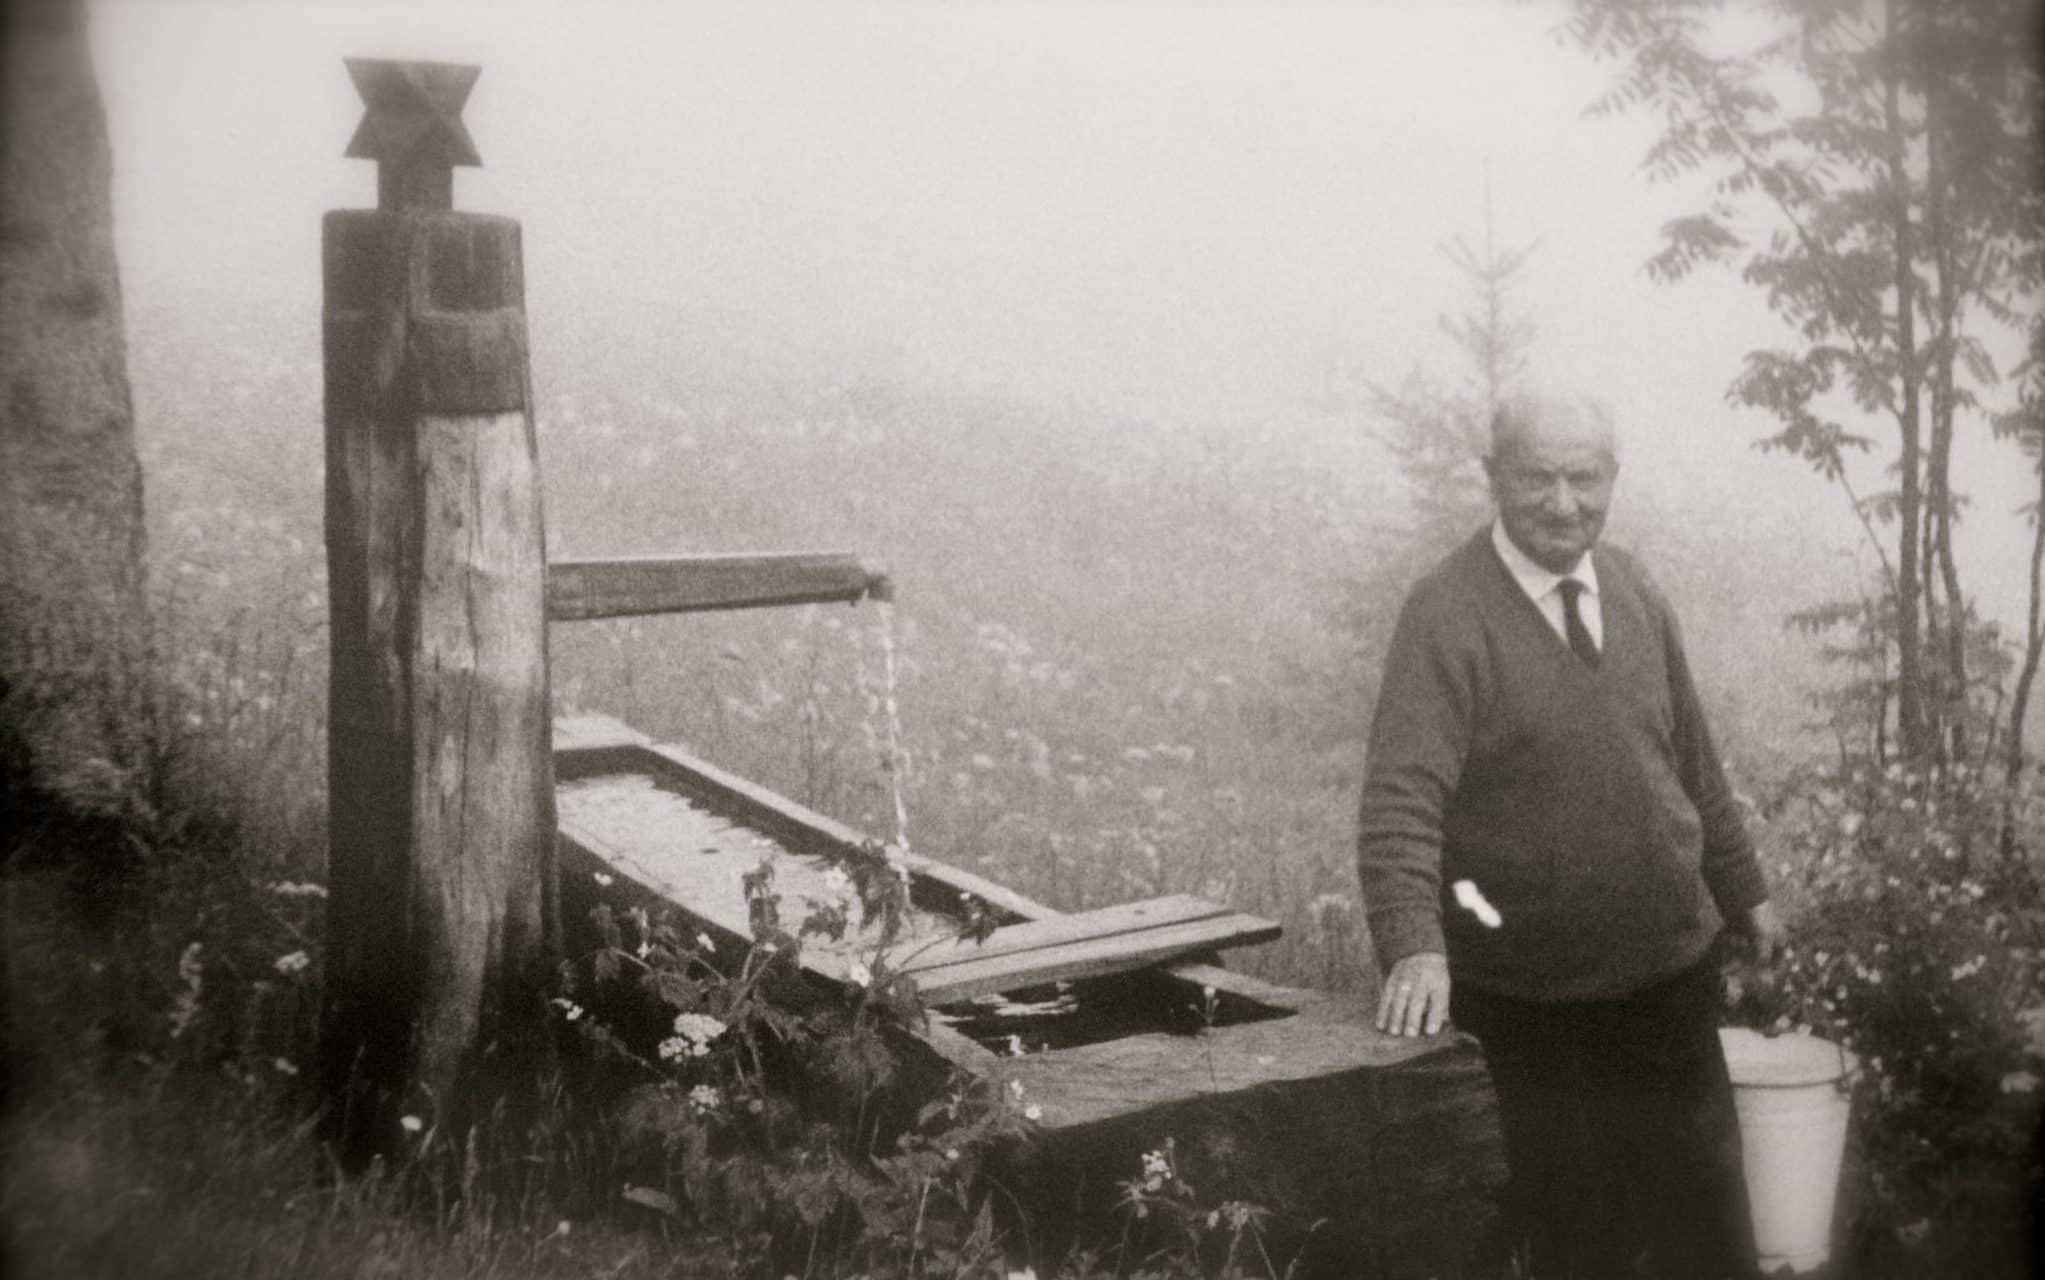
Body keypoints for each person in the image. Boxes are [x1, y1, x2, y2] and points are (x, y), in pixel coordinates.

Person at [1355, 393, 1785, 1280]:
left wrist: (1745, 891)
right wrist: (1413, 947)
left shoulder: (1631, 587)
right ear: (1492, 479)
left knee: (1707, 1230)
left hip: (1667, 978)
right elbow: (1401, 798)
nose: (1561, 502)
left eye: (1582, 477)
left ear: (1611, 479)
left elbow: (1692, 759)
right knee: (1578, 1241)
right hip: (1532, 1004)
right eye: (1535, 477)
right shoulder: (1446, 612)